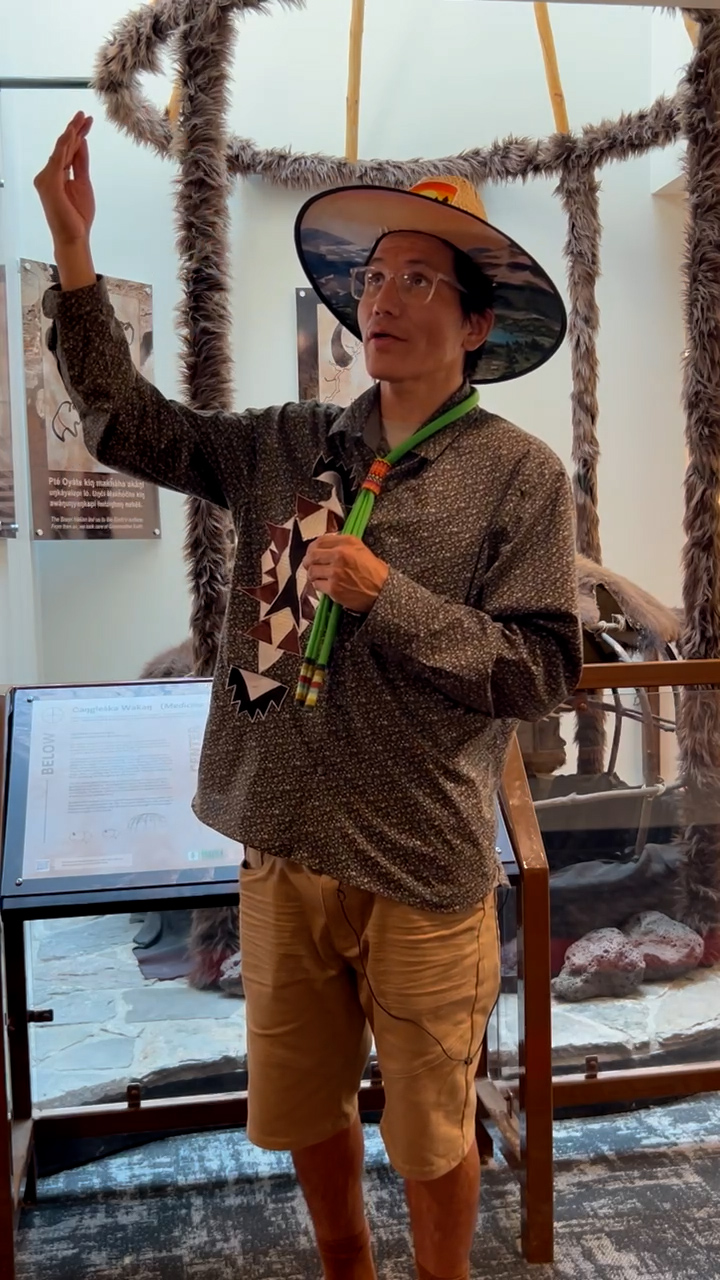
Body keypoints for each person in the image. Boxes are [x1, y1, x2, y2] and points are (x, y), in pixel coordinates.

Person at [34, 112, 582, 1280]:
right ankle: (348, 1269)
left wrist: (391, 597)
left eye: (419, 278)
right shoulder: (286, 444)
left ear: (476, 322)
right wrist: (75, 261)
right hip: (283, 845)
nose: (382, 297)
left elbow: (539, 669)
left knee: (433, 1122)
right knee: (303, 1104)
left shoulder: (521, 477)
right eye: (373, 275)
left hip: (421, 858)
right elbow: (130, 424)